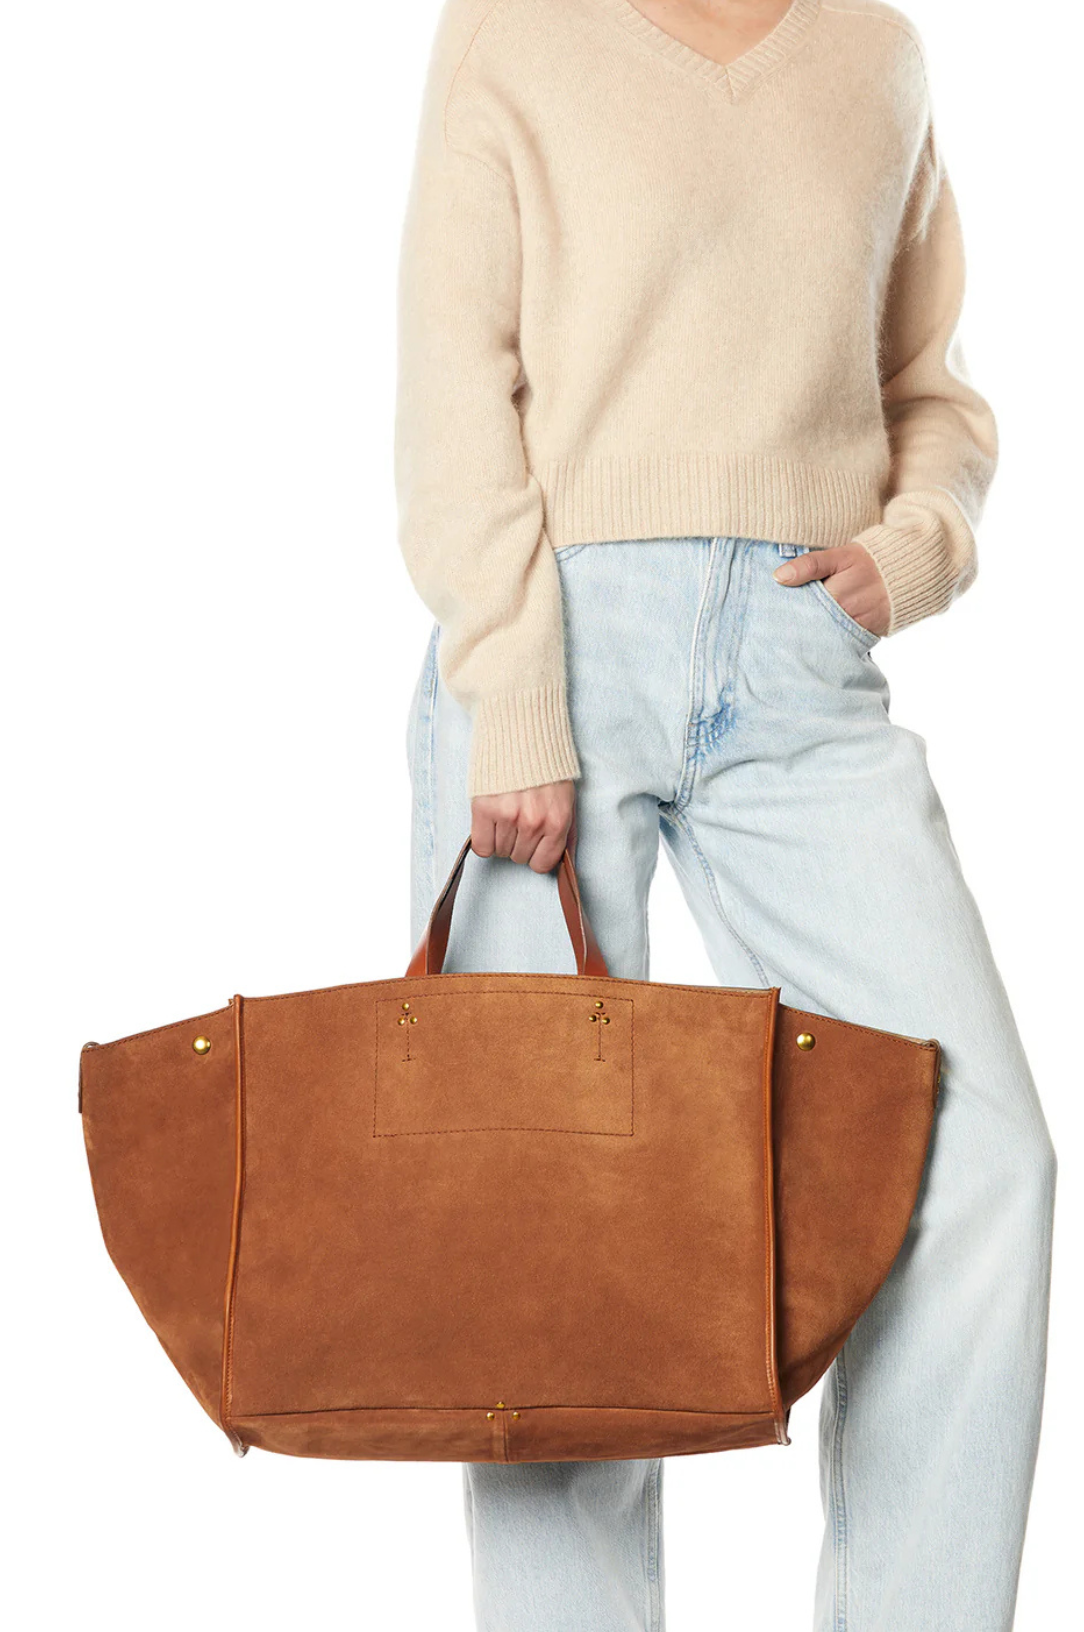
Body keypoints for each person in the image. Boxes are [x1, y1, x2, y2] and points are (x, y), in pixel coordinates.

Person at [394, 1, 1056, 1627]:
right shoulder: (517, 31)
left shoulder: (875, 53)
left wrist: (913, 551)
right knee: (548, 1233)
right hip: (553, 643)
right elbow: (450, 382)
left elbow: (934, 390)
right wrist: (514, 692)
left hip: (800, 660)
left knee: (980, 1155)